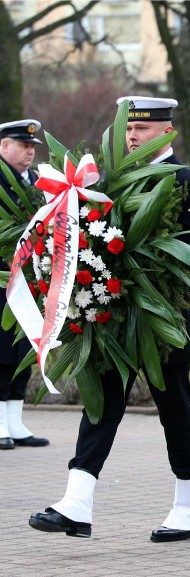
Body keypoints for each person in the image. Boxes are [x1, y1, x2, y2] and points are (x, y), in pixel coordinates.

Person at [29, 96, 190, 541]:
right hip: (110, 315)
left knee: (175, 413)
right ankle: (76, 503)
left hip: (161, 321)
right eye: (130, 130)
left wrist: (127, 272)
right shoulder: (110, 180)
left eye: (143, 130)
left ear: (167, 132)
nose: (132, 137)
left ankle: (189, 505)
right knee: (100, 407)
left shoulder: (188, 182)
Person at [0, 119, 49, 450]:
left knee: (24, 349)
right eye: (22, 145)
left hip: (31, 278)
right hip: (3, 277)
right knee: (2, 350)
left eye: (32, 146)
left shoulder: (36, 180)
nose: (30, 151)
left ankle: (14, 422)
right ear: (4, 146)